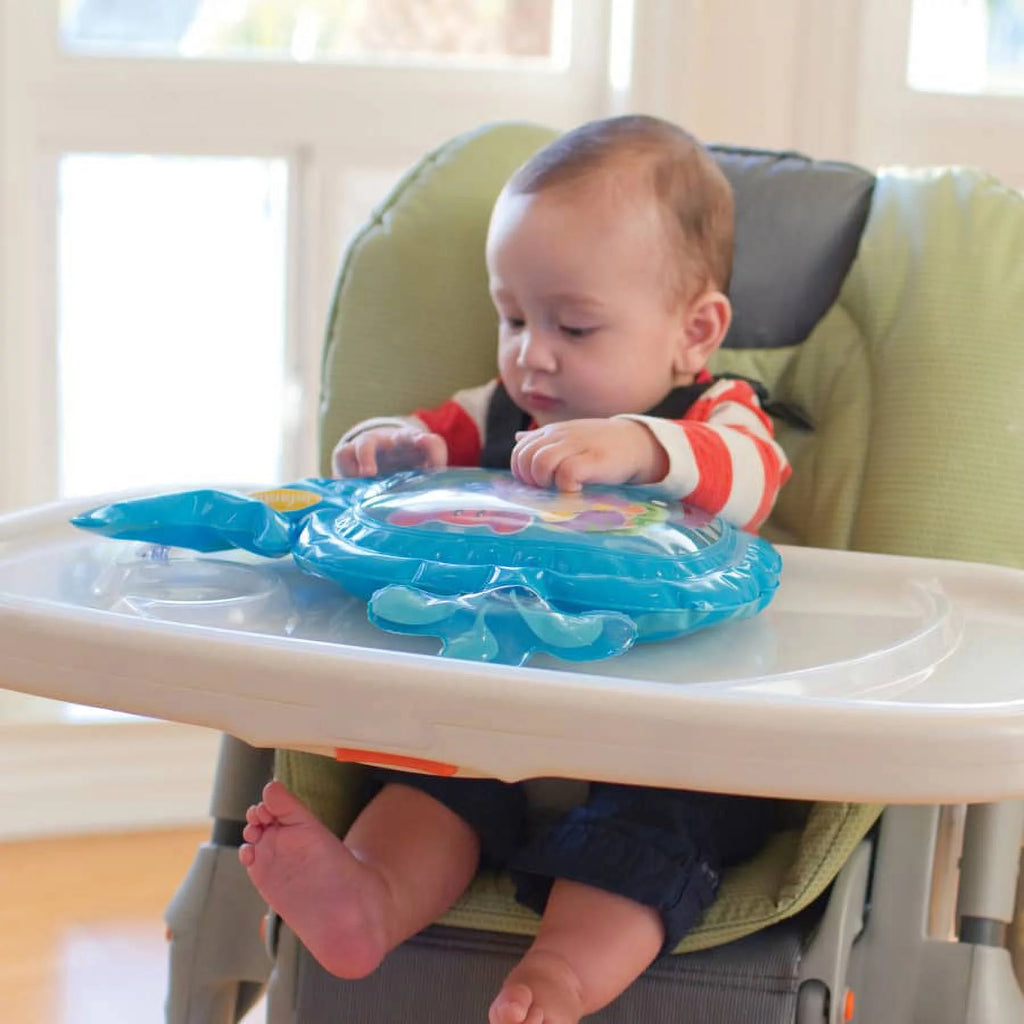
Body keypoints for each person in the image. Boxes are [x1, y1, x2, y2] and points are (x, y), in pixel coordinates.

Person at [240, 114, 791, 1024]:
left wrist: (638, 447)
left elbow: (752, 481)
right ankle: (365, 904)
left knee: (656, 832)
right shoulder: (497, 410)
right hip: (489, 711)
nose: (533, 353)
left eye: (574, 325)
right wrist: (384, 447)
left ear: (694, 332)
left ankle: (562, 978)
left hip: (663, 737)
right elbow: (408, 453)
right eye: (513, 317)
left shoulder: (716, 414)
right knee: (425, 785)